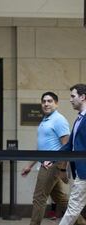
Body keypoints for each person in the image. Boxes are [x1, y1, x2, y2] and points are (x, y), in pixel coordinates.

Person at [21, 92, 73, 225]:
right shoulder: (45, 119)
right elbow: (41, 147)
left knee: (39, 198)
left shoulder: (59, 120)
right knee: (61, 199)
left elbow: (66, 146)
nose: (46, 104)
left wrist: (62, 168)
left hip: (51, 165)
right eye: (44, 101)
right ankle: (81, 222)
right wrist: (29, 165)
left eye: (50, 101)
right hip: (46, 164)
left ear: (56, 103)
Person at [45, 84, 86, 225]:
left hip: (84, 172)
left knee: (73, 210)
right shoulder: (79, 119)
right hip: (81, 172)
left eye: (73, 96)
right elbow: (69, 146)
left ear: (83, 97)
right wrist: (52, 158)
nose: (70, 100)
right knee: (74, 209)